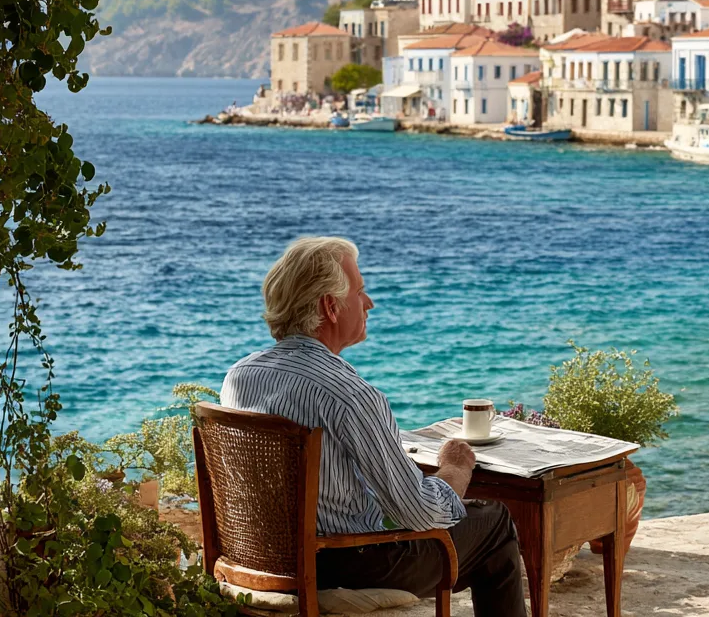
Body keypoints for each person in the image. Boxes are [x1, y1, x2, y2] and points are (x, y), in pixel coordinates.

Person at [221, 237, 526, 617]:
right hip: (342, 564)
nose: (369, 303)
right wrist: (455, 467)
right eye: (361, 292)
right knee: (493, 522)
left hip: (260, 557)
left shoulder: (240, 375)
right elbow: (420, 515)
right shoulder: (351, 395)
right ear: (330, 307)